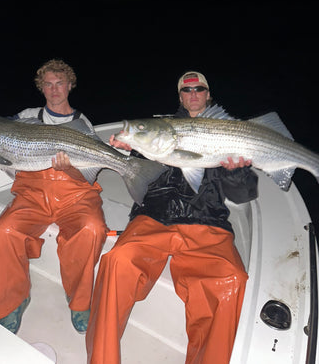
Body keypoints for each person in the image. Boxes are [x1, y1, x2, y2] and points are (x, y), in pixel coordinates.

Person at [86, 71, 258, 364]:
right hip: (156, 216)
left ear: (207, 94)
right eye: (186, 90)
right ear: (180, 97)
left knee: (232, 279)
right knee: (117, 261)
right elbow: (140, 178)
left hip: (207, 220)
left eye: (199, 89)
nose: (193, 94)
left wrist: (237, 169)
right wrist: (132, 152)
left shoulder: (225, 131)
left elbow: (244, 194)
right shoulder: (159, 127)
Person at [0, 59, 107, 335]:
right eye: (48, 84)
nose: (54, 90)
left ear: (69, 86)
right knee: (5, 231)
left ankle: (79, 302)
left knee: (92, 229)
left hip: (74, 194)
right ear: (41, 87)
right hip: (33, 195)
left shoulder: (82, 123)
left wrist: (72, 168)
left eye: (60, 83)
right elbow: (0, 137)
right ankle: (12, 302)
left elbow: (91, 174)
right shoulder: (27, 115)